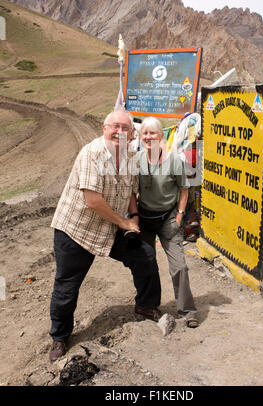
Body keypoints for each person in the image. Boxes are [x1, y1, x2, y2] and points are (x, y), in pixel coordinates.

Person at [49, 110, 161, 362]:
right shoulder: (93, 153)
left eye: (126, 129)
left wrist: (133, 216)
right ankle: (59, 337)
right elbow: (92, 200)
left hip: (111, 228)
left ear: (132, 134)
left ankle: (145, 305)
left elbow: (132, 190)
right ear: (104, 127)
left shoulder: (131, 155)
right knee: (67, 287)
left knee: (145, 256)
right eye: (115, 127)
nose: (120, 133)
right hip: (77, 229)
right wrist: (123, 221)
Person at [137, 117, 198, 328]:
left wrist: (179, 216)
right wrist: (134, 217)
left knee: (179, 265)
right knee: (146, 265)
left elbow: (184, 189)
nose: (148, 137)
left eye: (152, 133)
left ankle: (187, 310)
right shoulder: (137, 160)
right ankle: (148, 305)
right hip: (144, 219)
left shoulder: (174, 161)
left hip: (168, 218)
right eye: (145, 133)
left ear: (161, 136)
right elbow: (129, 191)